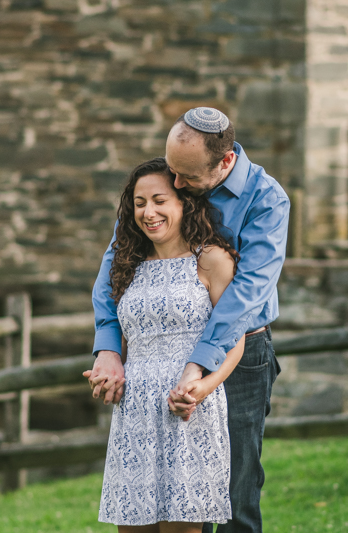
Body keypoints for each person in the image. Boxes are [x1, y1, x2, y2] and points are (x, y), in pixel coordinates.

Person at [89, 108, 290, 533]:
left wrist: (198, 367)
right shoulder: (169, 181)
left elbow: (244, 298)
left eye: (185, 180)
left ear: (225, 162)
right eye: (172, 173)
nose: (175, 184)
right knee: (156, 495)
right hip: (154, 363)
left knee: (235, 490)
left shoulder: (267, 200)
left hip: (240, 350)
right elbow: (114, 266)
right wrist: (109, 347)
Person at [89, 157, 245, 532]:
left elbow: (234, 340)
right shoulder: (125, 264)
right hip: (136, 411)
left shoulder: (211, 260)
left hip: (189, 410)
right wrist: (107, 369)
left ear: (183, 203)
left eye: (159, 200)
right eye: (140, 203)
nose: (149, 212)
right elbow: (119, 332)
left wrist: (202, 390)